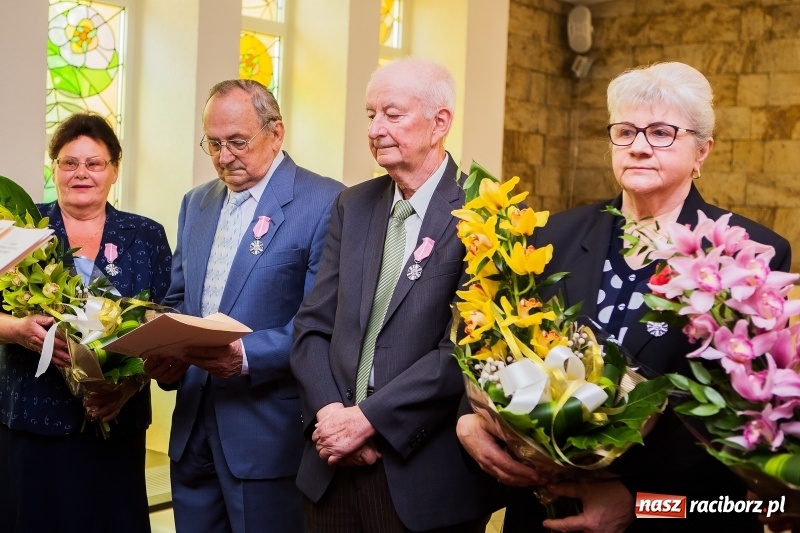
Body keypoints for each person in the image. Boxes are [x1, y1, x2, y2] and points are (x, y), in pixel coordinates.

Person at [457, 62, 792, 532]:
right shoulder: (551, 237)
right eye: (625, 131)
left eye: (661, 133)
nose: (638, 146)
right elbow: (494, 343)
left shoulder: (746, 253)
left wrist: (636, 504)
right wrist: (470, 419)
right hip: (546, 507)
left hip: (671, 515)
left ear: (703, 151)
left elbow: (739, 420)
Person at [290, 57, 500, 533]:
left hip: (423, 476)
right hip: (331, 468)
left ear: (439, 123)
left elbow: (463, 351)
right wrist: (331, 416)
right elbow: (313, 326)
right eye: (371, 115)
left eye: (392, 114)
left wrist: (368, 420)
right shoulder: (353, 204)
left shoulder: (484, 212)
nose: (375, 129)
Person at [143, 79, 344, 533]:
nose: (224, 157)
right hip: (192, 428)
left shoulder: (326, 202)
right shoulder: (196, 202)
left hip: (266, 432)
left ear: (276, 133)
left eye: (237, 142)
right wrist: (160, 345)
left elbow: (324, 322)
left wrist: (247, 356)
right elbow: (179, 299)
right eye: (213, 144)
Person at [0, 112, 173, 532]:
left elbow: (166, 322)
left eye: (94, 163)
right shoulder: (20, 232)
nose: (82, 173)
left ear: (114, 170)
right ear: (54, 168)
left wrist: (126, 386)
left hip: (115, 418)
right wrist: (17, 331)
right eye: (69, 162)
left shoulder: (146, 235)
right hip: (33, 421)